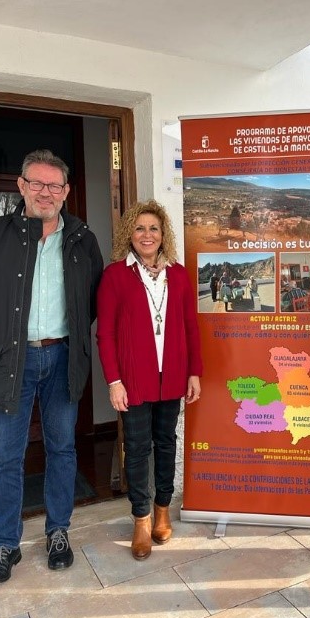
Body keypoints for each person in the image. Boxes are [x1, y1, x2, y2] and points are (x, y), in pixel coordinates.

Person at [0, 149, 103, 585]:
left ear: (66, 192)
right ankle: (6, 544)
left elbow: (92, 301)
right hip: (12, 360)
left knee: (62, 449)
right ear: (21, 186)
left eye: (55, 186)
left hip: (62, 356)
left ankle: (58, 531)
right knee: (7, 457)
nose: (46, 192)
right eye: (38, 183)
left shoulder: (82, 239)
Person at [96, 200, 202, 560]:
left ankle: (162, 511)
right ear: (130, 233)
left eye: (153, 229)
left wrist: (194, 372)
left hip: (171, 375)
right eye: (139, 228)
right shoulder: (114, 275)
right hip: (133, 379)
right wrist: (114, 381)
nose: (146, 235)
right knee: (138, 447)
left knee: (166, 442)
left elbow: (190, 327)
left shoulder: (179, 274)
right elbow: (105, 334)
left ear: (162, 235)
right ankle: (141, 519)